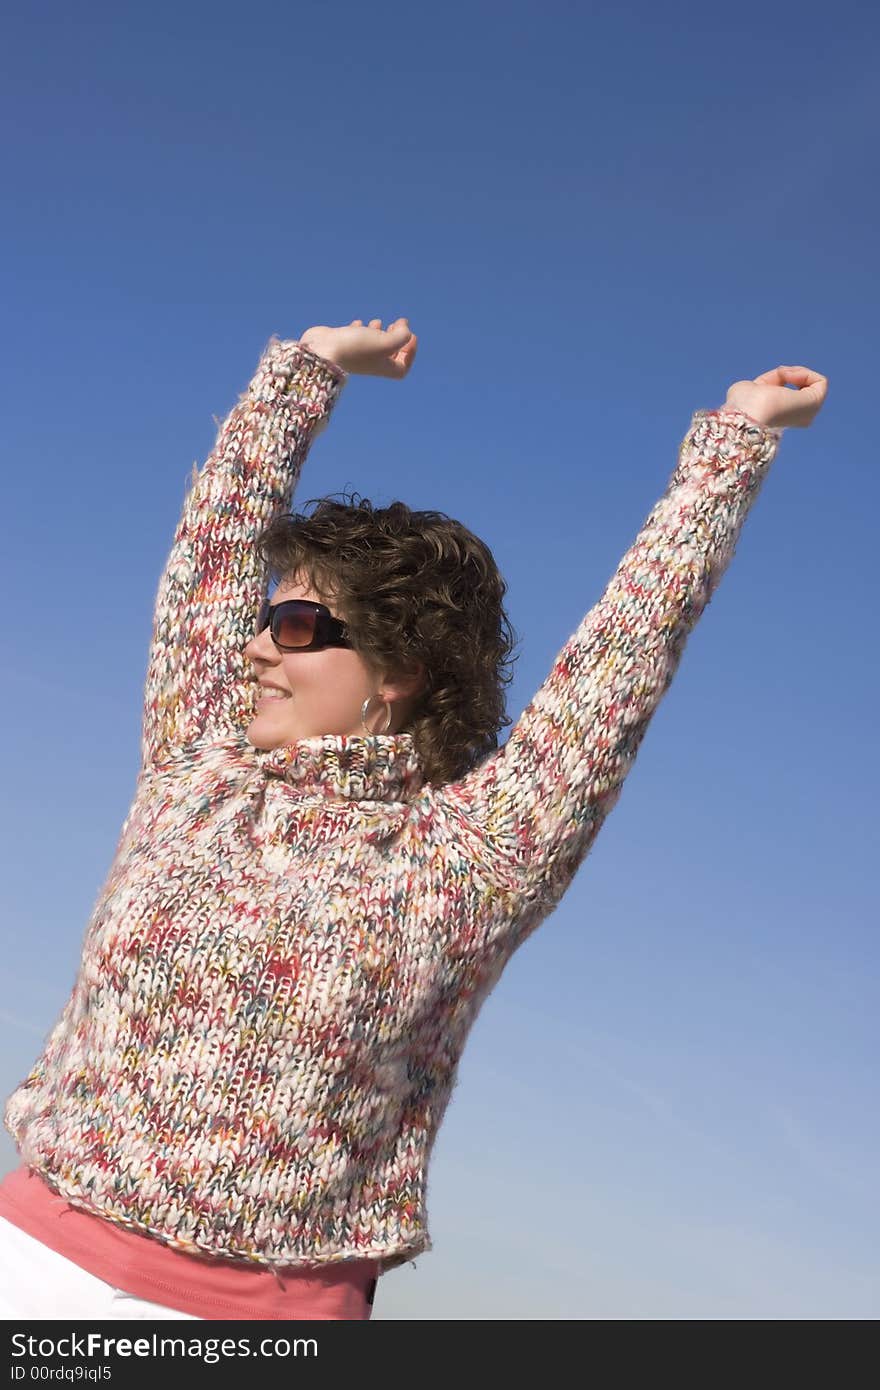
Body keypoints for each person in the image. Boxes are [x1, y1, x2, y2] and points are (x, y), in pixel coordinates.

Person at [0, 318, 828, 1320]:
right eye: (264, 618)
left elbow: (623, 658)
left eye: (297, 626)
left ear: (396, 672)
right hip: (26, 1258)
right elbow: (212, 550)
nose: (256, 646)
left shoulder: (471, 858)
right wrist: (305, 370)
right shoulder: (197, 766)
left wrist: (734, 444)